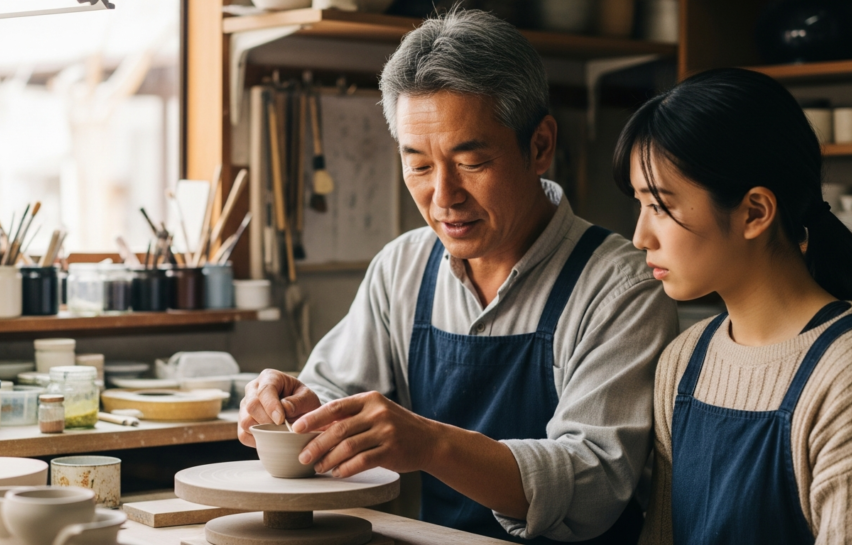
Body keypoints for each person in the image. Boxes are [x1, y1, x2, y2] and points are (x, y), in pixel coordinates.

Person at [239, 9, 678, 543]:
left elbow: (593, 483)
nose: (443, 197)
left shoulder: (620, 288)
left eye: (471, 162)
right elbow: (335, 398)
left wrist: (430, 444)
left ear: (539, 146)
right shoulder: (402, 268)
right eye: (419, 165)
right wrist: (300, 412)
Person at [616, 68, 852, 544]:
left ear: (755, 212)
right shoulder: (683, 362)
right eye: (640, 205)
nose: (640, 237)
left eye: (659, 206)